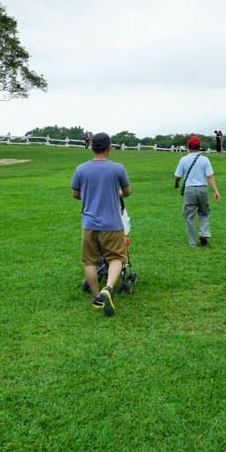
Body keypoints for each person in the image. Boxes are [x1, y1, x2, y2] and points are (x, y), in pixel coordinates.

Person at [71, 132, 131, 316]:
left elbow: (75, 194)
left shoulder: (81, 169)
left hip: (89, 223)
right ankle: (109, 288)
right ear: (109, 148)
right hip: (111, 223)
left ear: (91, 147)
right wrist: (116, 194)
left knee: (89, 261)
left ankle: (97, 296)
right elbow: (127, 192)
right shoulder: (118, 168)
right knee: (116, 258)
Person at [173, 135, 221, 246]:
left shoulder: (183, 159)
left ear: (188, 146)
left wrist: (176, 184)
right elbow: (210, 176)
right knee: (204, 212)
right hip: (202, 189)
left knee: (189, 216)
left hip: (189, 190)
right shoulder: (205, 160)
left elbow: (177, 176)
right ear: (199, 147)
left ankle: (192, 242)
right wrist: (216, 191)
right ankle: (203, 233)